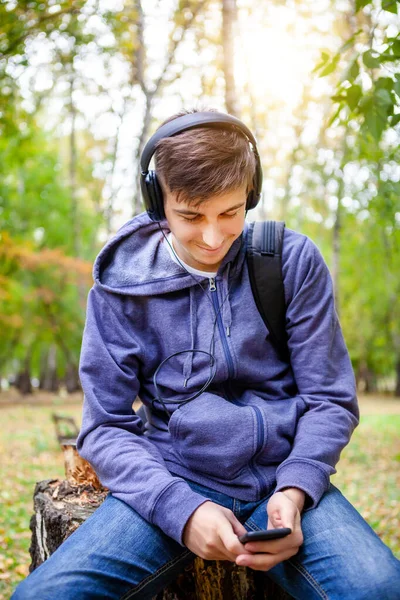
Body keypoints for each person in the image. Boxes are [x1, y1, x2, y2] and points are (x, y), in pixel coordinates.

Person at [13, 109, 400, 600]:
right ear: (158, 201)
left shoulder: (293, 262)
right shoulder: (119, 288)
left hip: (282, 479)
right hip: (173, 481)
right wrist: (181, 510)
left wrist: (296, 489)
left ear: (251, 194)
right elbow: (104, 426)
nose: (214, 237)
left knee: (380, 588)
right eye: (191, 216)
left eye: (231, 213)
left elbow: (330, 400)